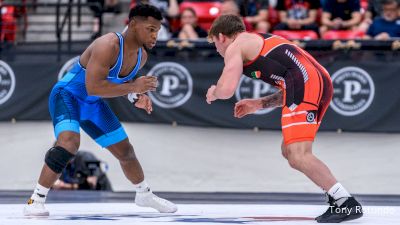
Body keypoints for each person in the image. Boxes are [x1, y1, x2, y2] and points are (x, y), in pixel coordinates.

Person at [205, 14, 363, 223]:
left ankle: (346, 203)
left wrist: (214, 91)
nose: (217, 49)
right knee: (289, 151)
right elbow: (294, 79)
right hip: (317, 81)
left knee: (298, 154)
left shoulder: (237, 45)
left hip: (306, 83)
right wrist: (259, 103)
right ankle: (337, 198)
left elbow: (226, 90)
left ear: (222, 37)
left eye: (215, 43)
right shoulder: (256, 39)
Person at [23, 4, 177, 216]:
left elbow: (118, 82)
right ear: (133, 24)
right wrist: (134, 87)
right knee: (69, 144)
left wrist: (134, 97)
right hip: (67, 96)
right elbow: (93, 86)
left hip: (93, 103)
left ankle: (144, 194)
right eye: (150, 29)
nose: (155, 35)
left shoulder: (141, 56)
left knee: (126, 151)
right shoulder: (108, 45)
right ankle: (35, 200)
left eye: (157, 30)